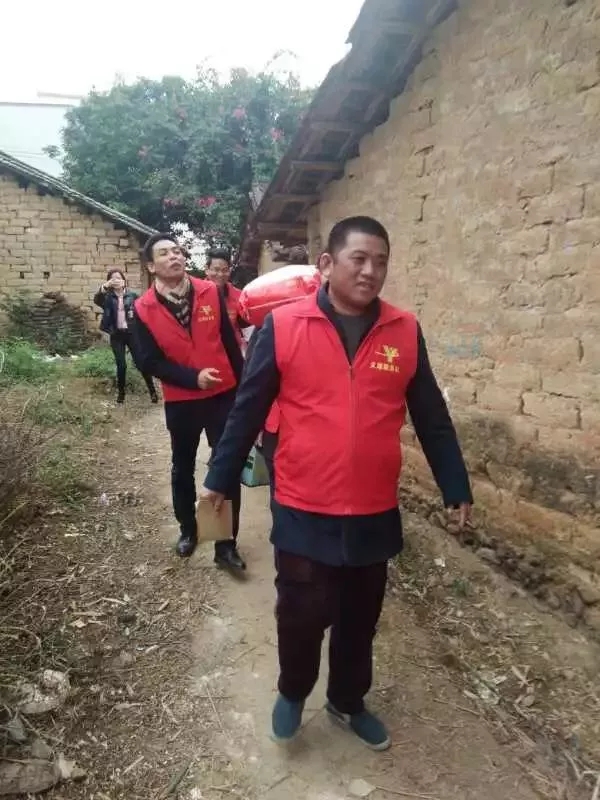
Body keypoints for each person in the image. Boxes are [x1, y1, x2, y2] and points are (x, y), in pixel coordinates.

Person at [201, 216, 473, 750]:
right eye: (359, 259)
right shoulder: (285, 326)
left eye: (381, 262)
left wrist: (455, 485)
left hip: (373, 507)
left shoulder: (403, 330)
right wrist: (218, 477)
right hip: (303, 503)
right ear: (327, 264)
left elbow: (432, 417)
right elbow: (247, 409)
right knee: (301, 612)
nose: (371, 271)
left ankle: (347, 701)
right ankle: (293, 691)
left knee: (359, 618)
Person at [130, 233, 246, 571]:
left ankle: (224, 543)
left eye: (178, 251)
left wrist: (244, 389)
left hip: (222, 393)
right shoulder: (142, 308)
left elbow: (228, 341)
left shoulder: (209, 291)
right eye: (165, 253)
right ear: (151, 266)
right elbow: (148, 361)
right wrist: (191, 378)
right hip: (182, 399)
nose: (174, 256)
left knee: (224, 465)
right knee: (183, 466)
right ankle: (189, 529)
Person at [93, 269, 158, 404]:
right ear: (109, 282)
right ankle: (121, 394)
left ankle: (152, 391)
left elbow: (143, 310)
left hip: (132, 334)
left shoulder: (132, 295)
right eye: (113, 278)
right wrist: (104, 286)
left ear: (124, 280)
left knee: (141, 363)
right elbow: (97, 299)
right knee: (121, 365)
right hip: (116, 335)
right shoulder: (107, 298)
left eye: (118, 277)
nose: (116, 280)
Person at [205, 249, 248, 352]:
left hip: (233, 351)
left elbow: (247, 328)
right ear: (207, 269)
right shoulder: (195, 294)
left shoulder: (238, 296)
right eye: (216, 269)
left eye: (225, 270)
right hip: (206, 352)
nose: (220, 274)